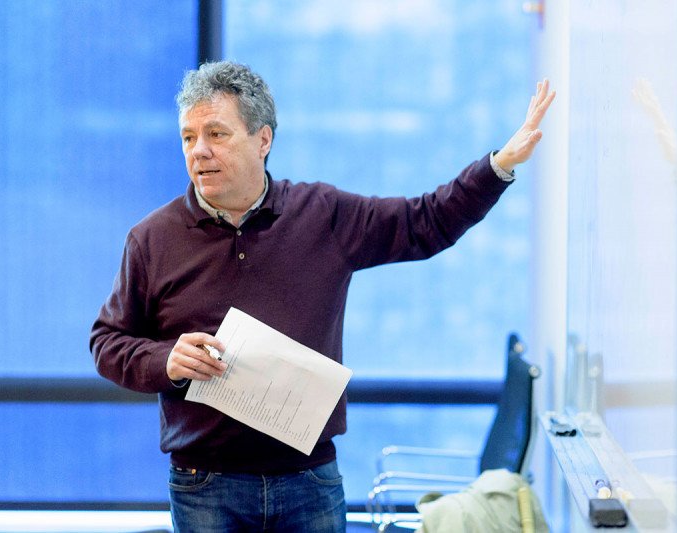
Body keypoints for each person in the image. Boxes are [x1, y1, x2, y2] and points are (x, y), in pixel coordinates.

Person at [90, 61, 554, 532]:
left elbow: (425, 222)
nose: (199, 151)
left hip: (308, 481)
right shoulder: (151, 239)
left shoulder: (322, 215)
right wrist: (166, 359)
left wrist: (498, 167)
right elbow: (107, 342)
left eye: (216, 134)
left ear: (263, 140)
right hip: (205, 486)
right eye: (189, 137)